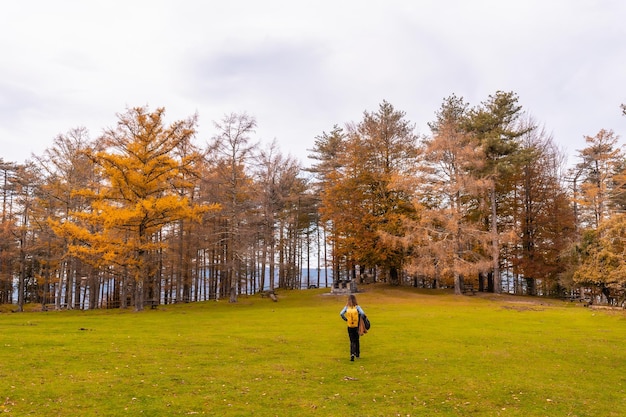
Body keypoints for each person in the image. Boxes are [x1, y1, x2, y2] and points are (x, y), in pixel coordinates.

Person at [339, 294, 366, 361]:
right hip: (356, 326)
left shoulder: (347, 307)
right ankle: (357, 354)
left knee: (352, 340)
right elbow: (362, 313)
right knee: (357, 340)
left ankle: (352, 354)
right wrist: (360, 318)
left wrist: (345, 319)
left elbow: (341, 313)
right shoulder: (357, 307)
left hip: (349, 326)